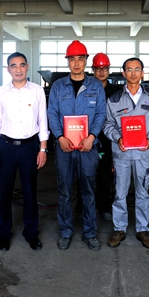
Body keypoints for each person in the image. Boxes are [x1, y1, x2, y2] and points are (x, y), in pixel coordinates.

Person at [48, 40, 106, 251]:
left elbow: (101, 114)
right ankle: (65, 231)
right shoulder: (58, 86)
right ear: (68, 61)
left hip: (88, 147)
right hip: (64, 148)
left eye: (80, 59)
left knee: (88, 191)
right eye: (72, 59)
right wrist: (59, 137)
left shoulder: (96, 86)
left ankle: (90, 232)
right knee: (64, 191)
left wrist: (92, 136)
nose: (76, 63)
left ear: (85, 61)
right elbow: (52, 113)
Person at [0, 52, 49, 252]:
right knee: (4, 192)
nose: (18, 69)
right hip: (6, 147)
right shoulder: (1, 92)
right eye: (13, 66)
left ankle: (31, 233)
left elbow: (43, 121)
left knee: (30, 192)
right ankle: (4, 234)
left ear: (27, 67)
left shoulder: (37, 91)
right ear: (8, 69)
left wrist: (42, 149)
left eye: (21, 65)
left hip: (30, 147)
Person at [104, 57, 149, 249]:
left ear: (142, 73)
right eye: (129, 69)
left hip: (143, 154)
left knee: (143, 193)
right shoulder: (114, 99)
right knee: (120, 193)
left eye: (137, 69)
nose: (133, 73)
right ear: (124, 73)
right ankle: (119, 228)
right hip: (121, 154)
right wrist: (118, 138)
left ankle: (142, 229)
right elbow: (107, 124)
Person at [90, 52, 122, 222]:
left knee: (104, 174)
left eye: (104, 68)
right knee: (86, 173)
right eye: (98, 68)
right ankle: (83, 207)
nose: (101, 71)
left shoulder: (116, 92)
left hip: (109, 139)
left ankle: (103, 206)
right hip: (88, 138)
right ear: (93, 70)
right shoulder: (87, 89)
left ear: (109, 69)